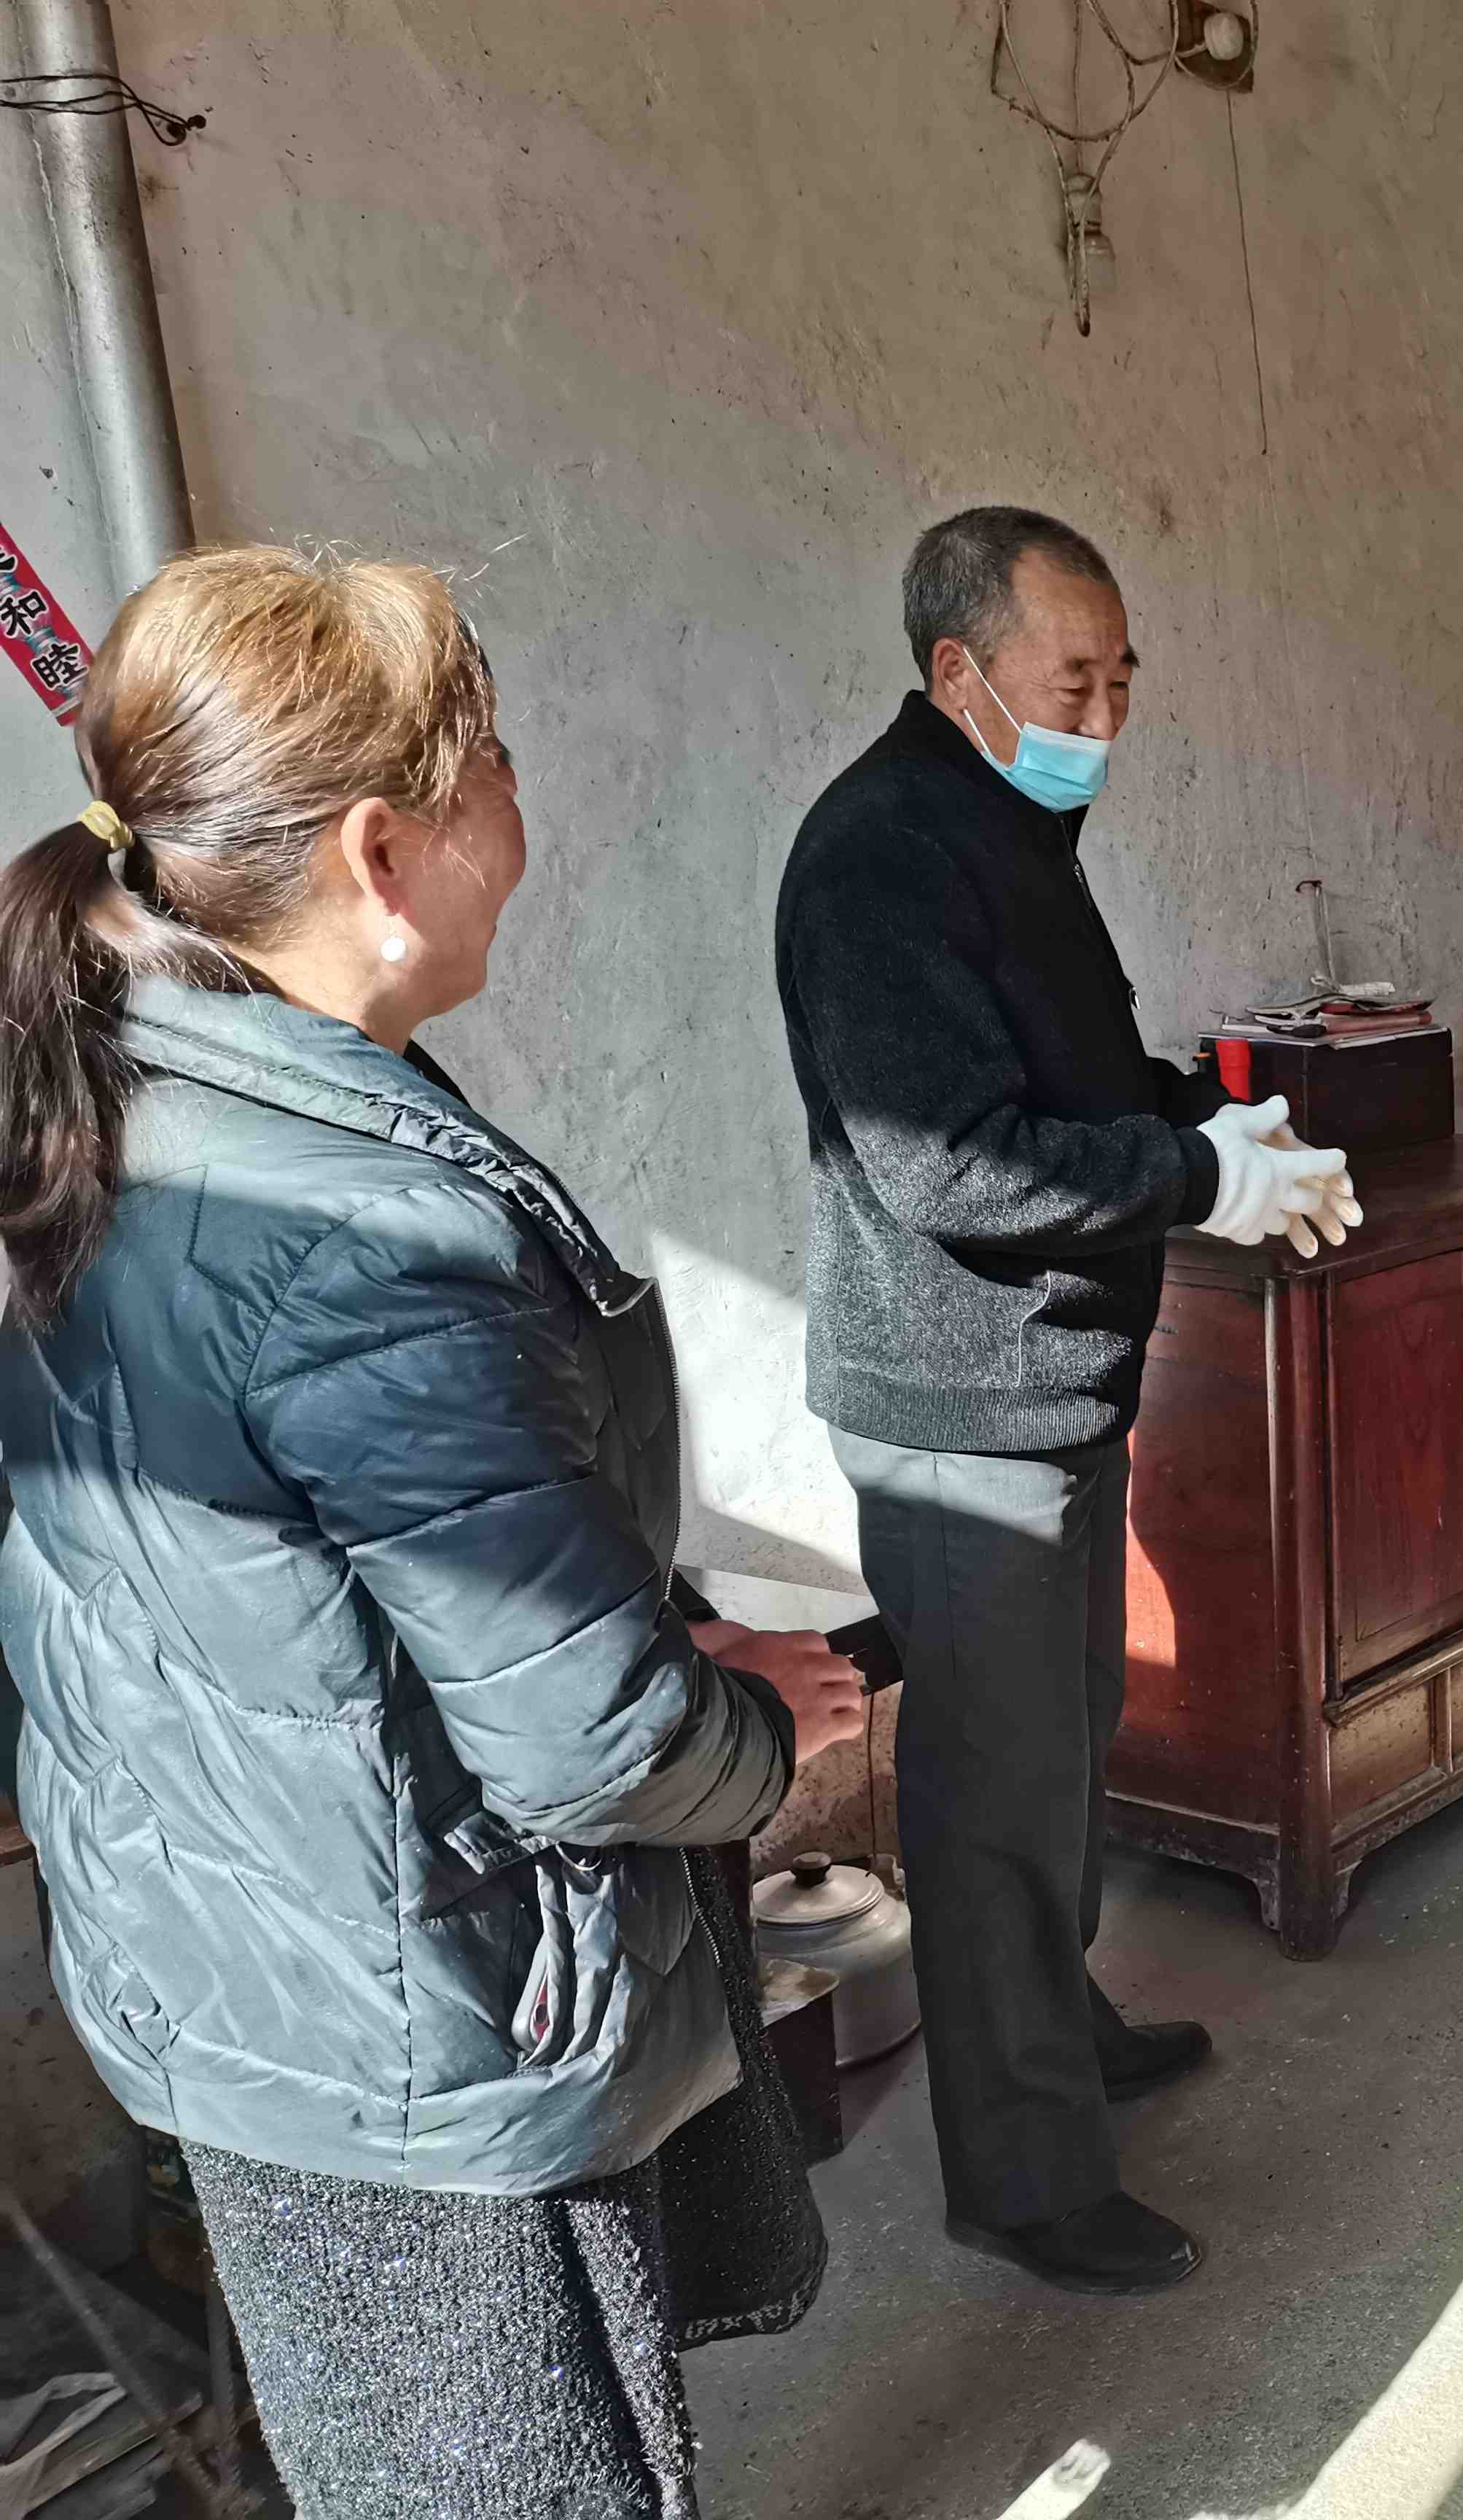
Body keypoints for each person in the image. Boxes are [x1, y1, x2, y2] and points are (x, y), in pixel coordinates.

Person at [0, 546, 869, 2516]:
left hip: (239, 1940)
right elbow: (590, 1744)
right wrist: (757, 1733)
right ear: (385, 853)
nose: (519, 814)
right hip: (407, 2006)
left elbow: (303, 1576)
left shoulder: (118, 1066)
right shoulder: (360, 1228)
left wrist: (639, 1630)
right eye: (498, 770)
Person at [774, 506, 1357, 2295]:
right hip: (959, 1400)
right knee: (994, 1795)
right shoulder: (881, 855)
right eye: (1071, 681)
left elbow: (1067, 1076)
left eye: (1121, 680)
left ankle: (1060, 2028)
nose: (1103, 715)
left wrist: (1206, 1113)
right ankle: (1023, 2175)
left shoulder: (1006, 821)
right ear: (958, 671)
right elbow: (952, 1161)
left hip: (1047, 1382)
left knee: (1060, 1745)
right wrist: (1198, 1177)